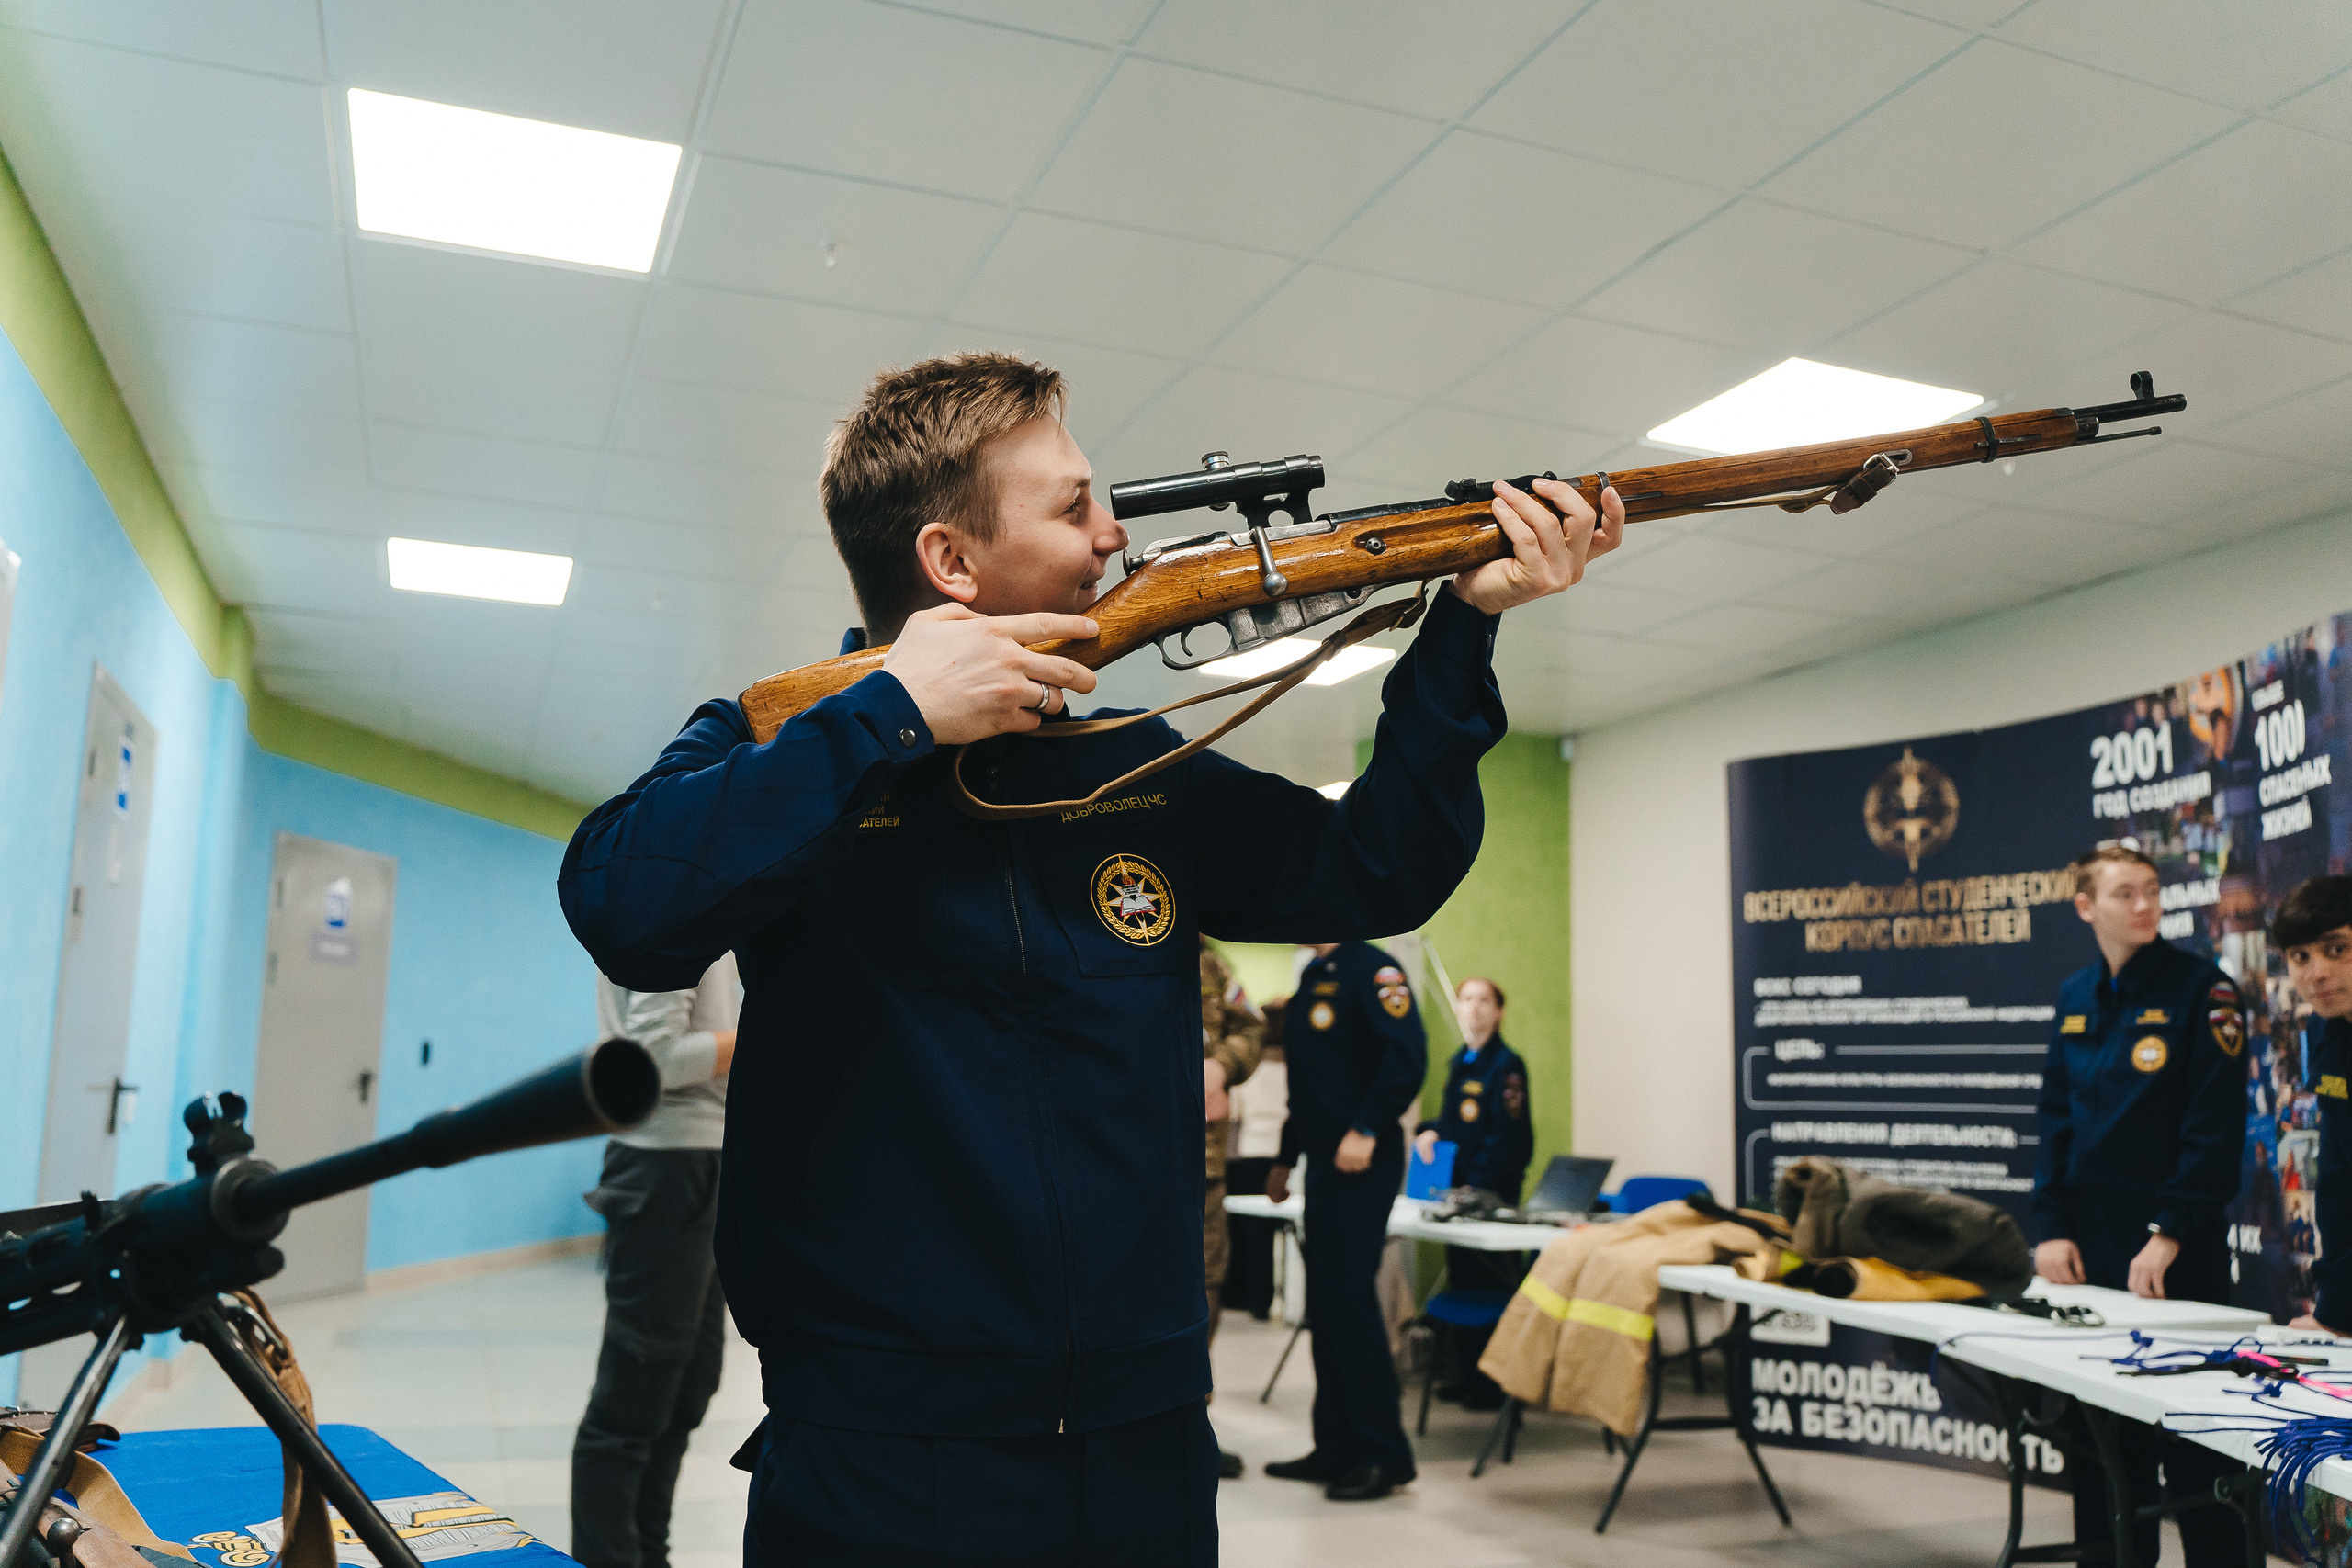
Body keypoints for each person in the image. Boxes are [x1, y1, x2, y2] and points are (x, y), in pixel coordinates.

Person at [558, 353, 1621, 1566]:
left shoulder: (1128, 755)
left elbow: (1372, 869)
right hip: (880, 1446)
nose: (1115, 535)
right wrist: (885, 717)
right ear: (952, 562)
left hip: (1143, 1433)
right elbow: (617, 901)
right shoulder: (785, 736)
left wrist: (1463, 627)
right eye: (1072, 506)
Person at [2031, 842, 2247, 1568]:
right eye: (2126, 893)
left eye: (2153, 889)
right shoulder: (2073, 996)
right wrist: (2051, 1228)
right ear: (2087, 905)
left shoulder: (2205, 991)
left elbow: (2213, 1131)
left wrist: (2170, 1231)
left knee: (2196, 1444)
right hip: (2089, 1253)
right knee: (2100, 1442)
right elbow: (2055, 1122)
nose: (2146, 904)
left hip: (2172, 1255)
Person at [571, 955, 739, 1568]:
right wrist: (764, 1037)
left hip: (707, 1157)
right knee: (634, 1400)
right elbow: (653, 1059)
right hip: (664, 1163)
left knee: (691, 1382)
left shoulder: (713, 930)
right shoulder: (671, 926)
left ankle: (647, 1554)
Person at [1263, 941, 1427, 1501]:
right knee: (1328, 1308)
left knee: (1350, 1305)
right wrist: (1287, 1156)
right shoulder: (1314, 975)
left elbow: (1407, 1056)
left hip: (1363, 1160)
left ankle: (1383, 1454)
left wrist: (1369, 1127)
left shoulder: (1375, 969)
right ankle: (1335, 1446)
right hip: (1323, 1165)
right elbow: (1308, 1082)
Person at [1413, 975, 1531, 1410]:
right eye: (1467, 999)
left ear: (1498, 1012)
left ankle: (1493, 1384)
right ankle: (1466, 1374)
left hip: (1491, 1200)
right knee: (1463, 1281)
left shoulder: (1507, 1066)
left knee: (1492, 1286)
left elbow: (1510, 1139)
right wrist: (1428, 1131)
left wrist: (1476, 1187)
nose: (1475, 1007)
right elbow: (1452, 1125)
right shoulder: (1459, 1062)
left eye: (1485, 1000)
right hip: (1455, 1201)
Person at [2269, 875, 2352, 1336]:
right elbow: (2341, 1178)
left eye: (2336, 949)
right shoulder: (2324, 1027)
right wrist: (2336, 1314)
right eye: (2300, 957)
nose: (2316, 972)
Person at [1198, 938, 1264, 1480]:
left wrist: (1220, 1068)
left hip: (1202, 1163)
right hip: (1120, 1163)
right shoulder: (1102, 937)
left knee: (1206, 1286)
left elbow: (1250, 1028)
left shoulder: (1212, 963)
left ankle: (1192, 1423)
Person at [1224, 1000, 1289, 1322]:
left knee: (1253, 1234)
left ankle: (1256, 1302)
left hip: (1250, 1155)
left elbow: (1233, 1112)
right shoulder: (1296, 1065)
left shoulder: (1250, 1067)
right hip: (1287, 1156)